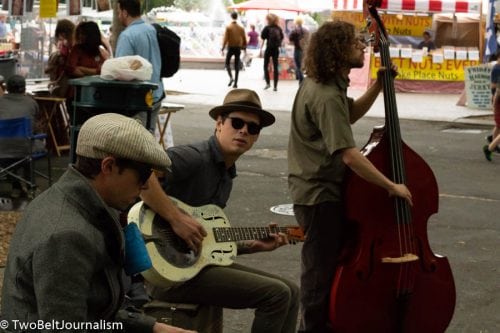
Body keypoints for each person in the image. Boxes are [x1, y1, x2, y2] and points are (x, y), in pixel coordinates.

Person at [1, 113, 195, 333]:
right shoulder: (67, 235)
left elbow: (94, 307)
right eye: (143, 176)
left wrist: (151, 327)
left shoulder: (81, 201)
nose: (144, 187)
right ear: (108, 166)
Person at [287, 21, 413, 332]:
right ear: (338, 50)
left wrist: (379, 86)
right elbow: (349, 154)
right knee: (318, 277)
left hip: (319, 190)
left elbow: (350, 113)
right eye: (356, 43)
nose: (363, 47)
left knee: (328, 270)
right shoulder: (326, 94)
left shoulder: (325, 86)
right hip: (319, 194)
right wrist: (391, 185)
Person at [140, 89, 299, 332]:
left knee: (292, 291)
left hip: (193, 265)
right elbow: (142, 174)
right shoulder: (194, 157)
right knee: (276, 295)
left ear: (256, 137)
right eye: (237, 123)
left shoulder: (226, 174)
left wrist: (250, 246)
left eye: (252, 128)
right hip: (166, 272)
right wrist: (176, 219)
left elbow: (207, 239)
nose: (244, 130)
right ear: (219, 124)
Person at [115, 0, 164, 131]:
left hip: (137, 99)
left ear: (125, 13)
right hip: (156, 93)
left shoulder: (127, 35)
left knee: (134, 143)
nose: (119, 15)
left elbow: (121, 70)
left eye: (119, 12)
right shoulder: (151, 29)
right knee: (148, 138)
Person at [45, 19, 75, 98]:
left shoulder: (77, 47)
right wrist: (57, 81)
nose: (63, 41)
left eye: (63, 37)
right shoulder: (66, 47)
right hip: (66, 83)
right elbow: (65, 70)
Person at [221, 12, 247, 89]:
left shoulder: (228, 27)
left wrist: (222, 48)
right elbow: (244, 39)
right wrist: (244, 47)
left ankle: (231, 77)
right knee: (236, 65)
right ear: (237, 17)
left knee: (227, 63)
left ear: (231, 16)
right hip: (238, 48)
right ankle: (235, 83)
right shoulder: (241, 28)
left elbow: (225, 39)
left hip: (231, 47)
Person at [260, 13, 284, 91]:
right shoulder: (279, 28)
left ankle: (268, 83)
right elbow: (282, 37)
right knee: (275, 67)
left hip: (269, 48)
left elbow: (262, 36)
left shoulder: (267, 28)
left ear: (269, 20)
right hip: (276, 49)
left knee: (265, 66)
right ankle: (275, 86)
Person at [288, 16, 310, 84]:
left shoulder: (295, 31)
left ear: (296, 22)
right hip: (305, 50)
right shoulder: (306, 30)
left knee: (298, 66)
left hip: (297, 49)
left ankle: (302, 80)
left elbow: (290, 39)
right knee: (302, 65)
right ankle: (301, 80)